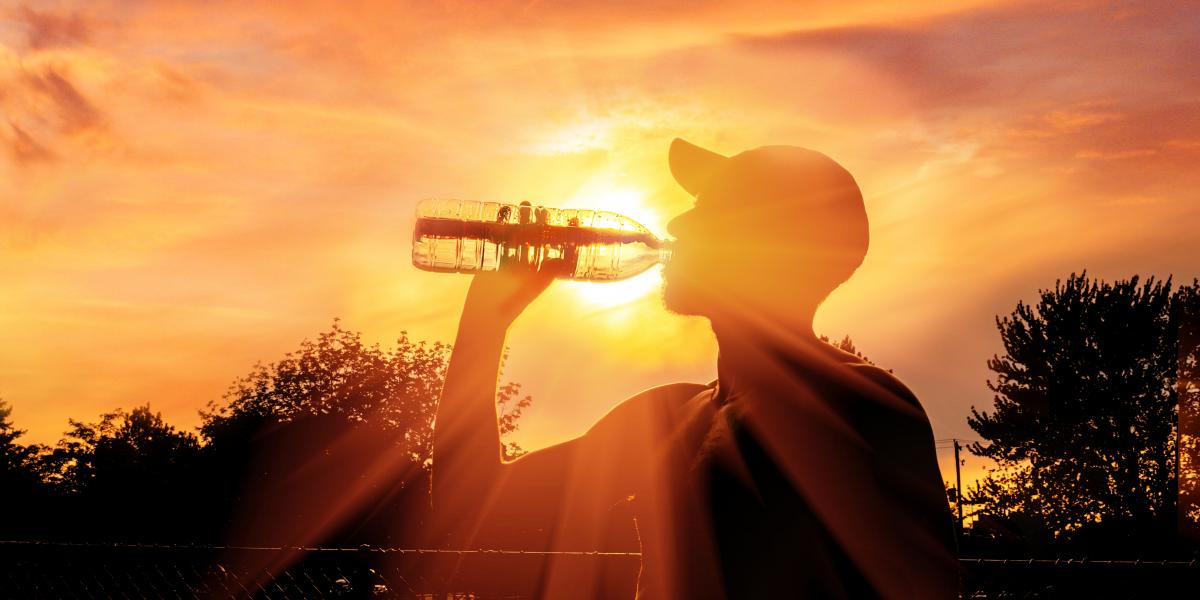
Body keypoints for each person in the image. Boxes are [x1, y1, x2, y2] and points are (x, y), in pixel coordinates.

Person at [426, 139, 960, 599]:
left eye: (713, 207)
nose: (678, 222)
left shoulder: (858, 406)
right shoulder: (669, 415)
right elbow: (469, 514)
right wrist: (486, 320)